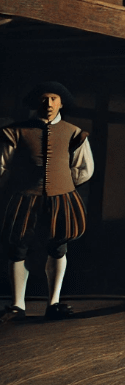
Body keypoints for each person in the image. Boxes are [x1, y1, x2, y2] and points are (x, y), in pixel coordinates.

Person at [0, 82, 93, 321]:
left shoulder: (73, 132)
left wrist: (62, 184)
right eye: (44, 98)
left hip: (61, 200)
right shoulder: (15, 131)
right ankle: (17, 305)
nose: (48, 103)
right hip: (24, 199)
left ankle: (54, 303)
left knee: (58, 247)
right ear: (36, 102)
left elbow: (84, 169)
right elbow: (2, 165)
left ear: (61, 103)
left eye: (54, 98)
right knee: (18, 247)